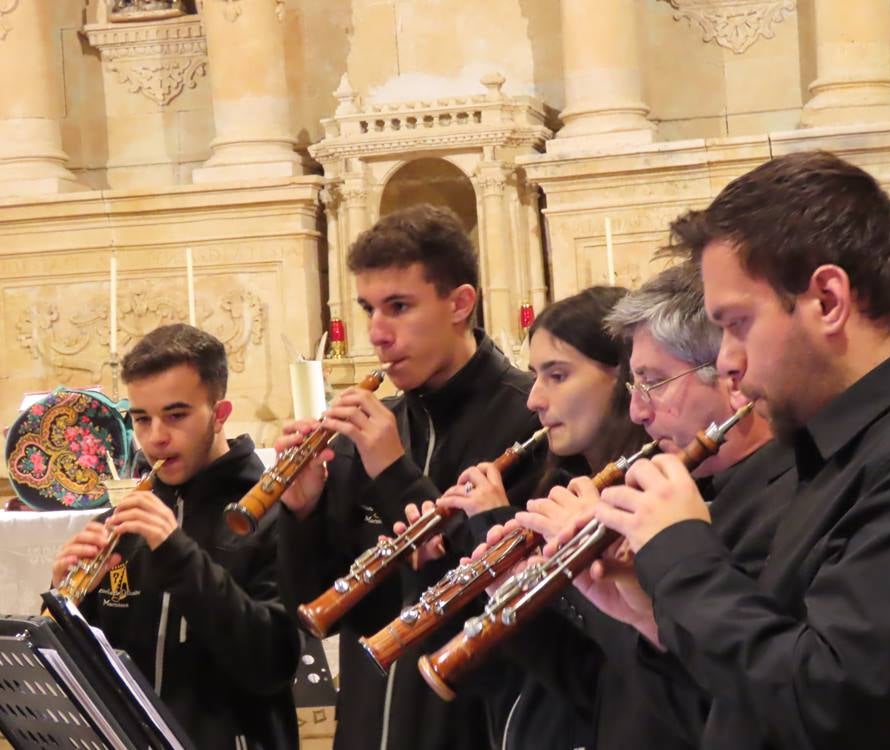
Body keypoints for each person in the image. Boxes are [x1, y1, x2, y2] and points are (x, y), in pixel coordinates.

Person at [595, 150, 890, 749]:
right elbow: (777, 668)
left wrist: (680, 552)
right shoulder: (869, 438)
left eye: (737, 323)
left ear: (828, 300)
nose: (728, 359)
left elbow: (833, 704)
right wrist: (649, 610)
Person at [486, 264, 787, 748]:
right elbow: (607, 691)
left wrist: (646, 586)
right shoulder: (704, 497)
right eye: (635, 385)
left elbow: (741, 710)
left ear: (732, 376)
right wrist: (519, 599)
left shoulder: (780, 506)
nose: (636, 411)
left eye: (653, 382)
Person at [275, 203, 542, 750]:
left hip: (473, 726)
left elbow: (508, 604)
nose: (377, 333)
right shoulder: (374, 428)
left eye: (398, 307)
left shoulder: (531, 419)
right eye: (369, 309)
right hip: (370, 726)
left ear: (459, 304)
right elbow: (319, 607)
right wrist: (301, 511)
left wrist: (395, 473)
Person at [397, 285, 647, 750]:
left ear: (625, 376)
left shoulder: (646, 502)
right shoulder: (555, 488)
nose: (533, 399)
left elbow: (602, 679)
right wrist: (438, 565)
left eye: (556, 375)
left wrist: (495, 524)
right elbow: (509, 674)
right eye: (534, 376)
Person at [51, 323, 300, 749]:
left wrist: (178, 555)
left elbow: (271, 663)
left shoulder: (276, 512)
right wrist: (70, 603)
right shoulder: (121, 522)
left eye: (176, 415)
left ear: (220, 415)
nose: (155, 438)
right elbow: (97, 673)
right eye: (142, 419)